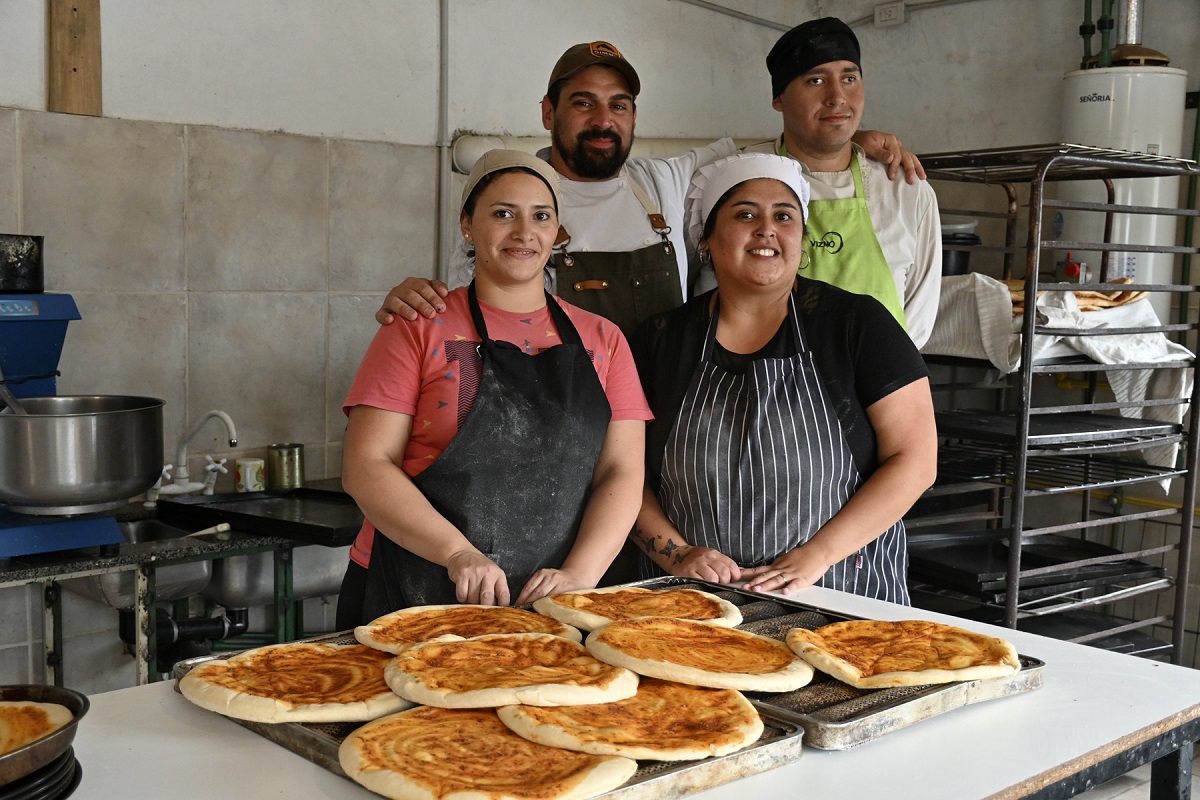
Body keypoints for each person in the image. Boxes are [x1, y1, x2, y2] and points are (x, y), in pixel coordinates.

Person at [377, 40, 925, 337]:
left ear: (634, 117)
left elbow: (770, 154)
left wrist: (847, 138)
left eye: (619, 105)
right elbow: (459, 310)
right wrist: (414, 299)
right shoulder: (516, 201)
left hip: (660, 416)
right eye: (583, 102)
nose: (602, 119)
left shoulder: (662, 182)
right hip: (560, 419)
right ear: (548, 112)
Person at [336, 150, 649, 628]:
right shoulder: (416, 327)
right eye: (503, 213)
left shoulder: (604, 340)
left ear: (557, 232)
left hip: (548, 599)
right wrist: (457, 552)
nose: (524, 232)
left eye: (541, 216)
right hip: (412, 587)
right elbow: (366, 466)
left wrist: (579, 574)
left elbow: (622, 472)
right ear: (468, 226)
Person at [630, 152, 937, 604]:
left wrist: (818, 554)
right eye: (745, 213)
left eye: (784, 215)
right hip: (692, 605)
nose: (766, 228)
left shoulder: (855, 324)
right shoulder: (660, 340)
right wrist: (679, 556)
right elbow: (622, 473)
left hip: (842, 597)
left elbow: (915, 460)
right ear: (706, 240)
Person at [739, 17, 941, 348]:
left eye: (849, 78)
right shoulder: (743, 179)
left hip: (874, 389)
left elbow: (915, 323)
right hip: (766, 385)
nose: (837, 97)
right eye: (815, 80)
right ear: (779, 99)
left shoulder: (906, 190)